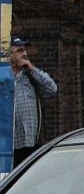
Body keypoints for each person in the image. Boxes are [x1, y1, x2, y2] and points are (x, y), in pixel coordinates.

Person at [10, 36, 58, 167]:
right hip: (10, 147)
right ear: (9, 55)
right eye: (19, 50)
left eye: (24, 50)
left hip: (32, 146)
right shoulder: (4, 79)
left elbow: (52, 89)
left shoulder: (31, 77)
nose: (24, 53)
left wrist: (32, 68)